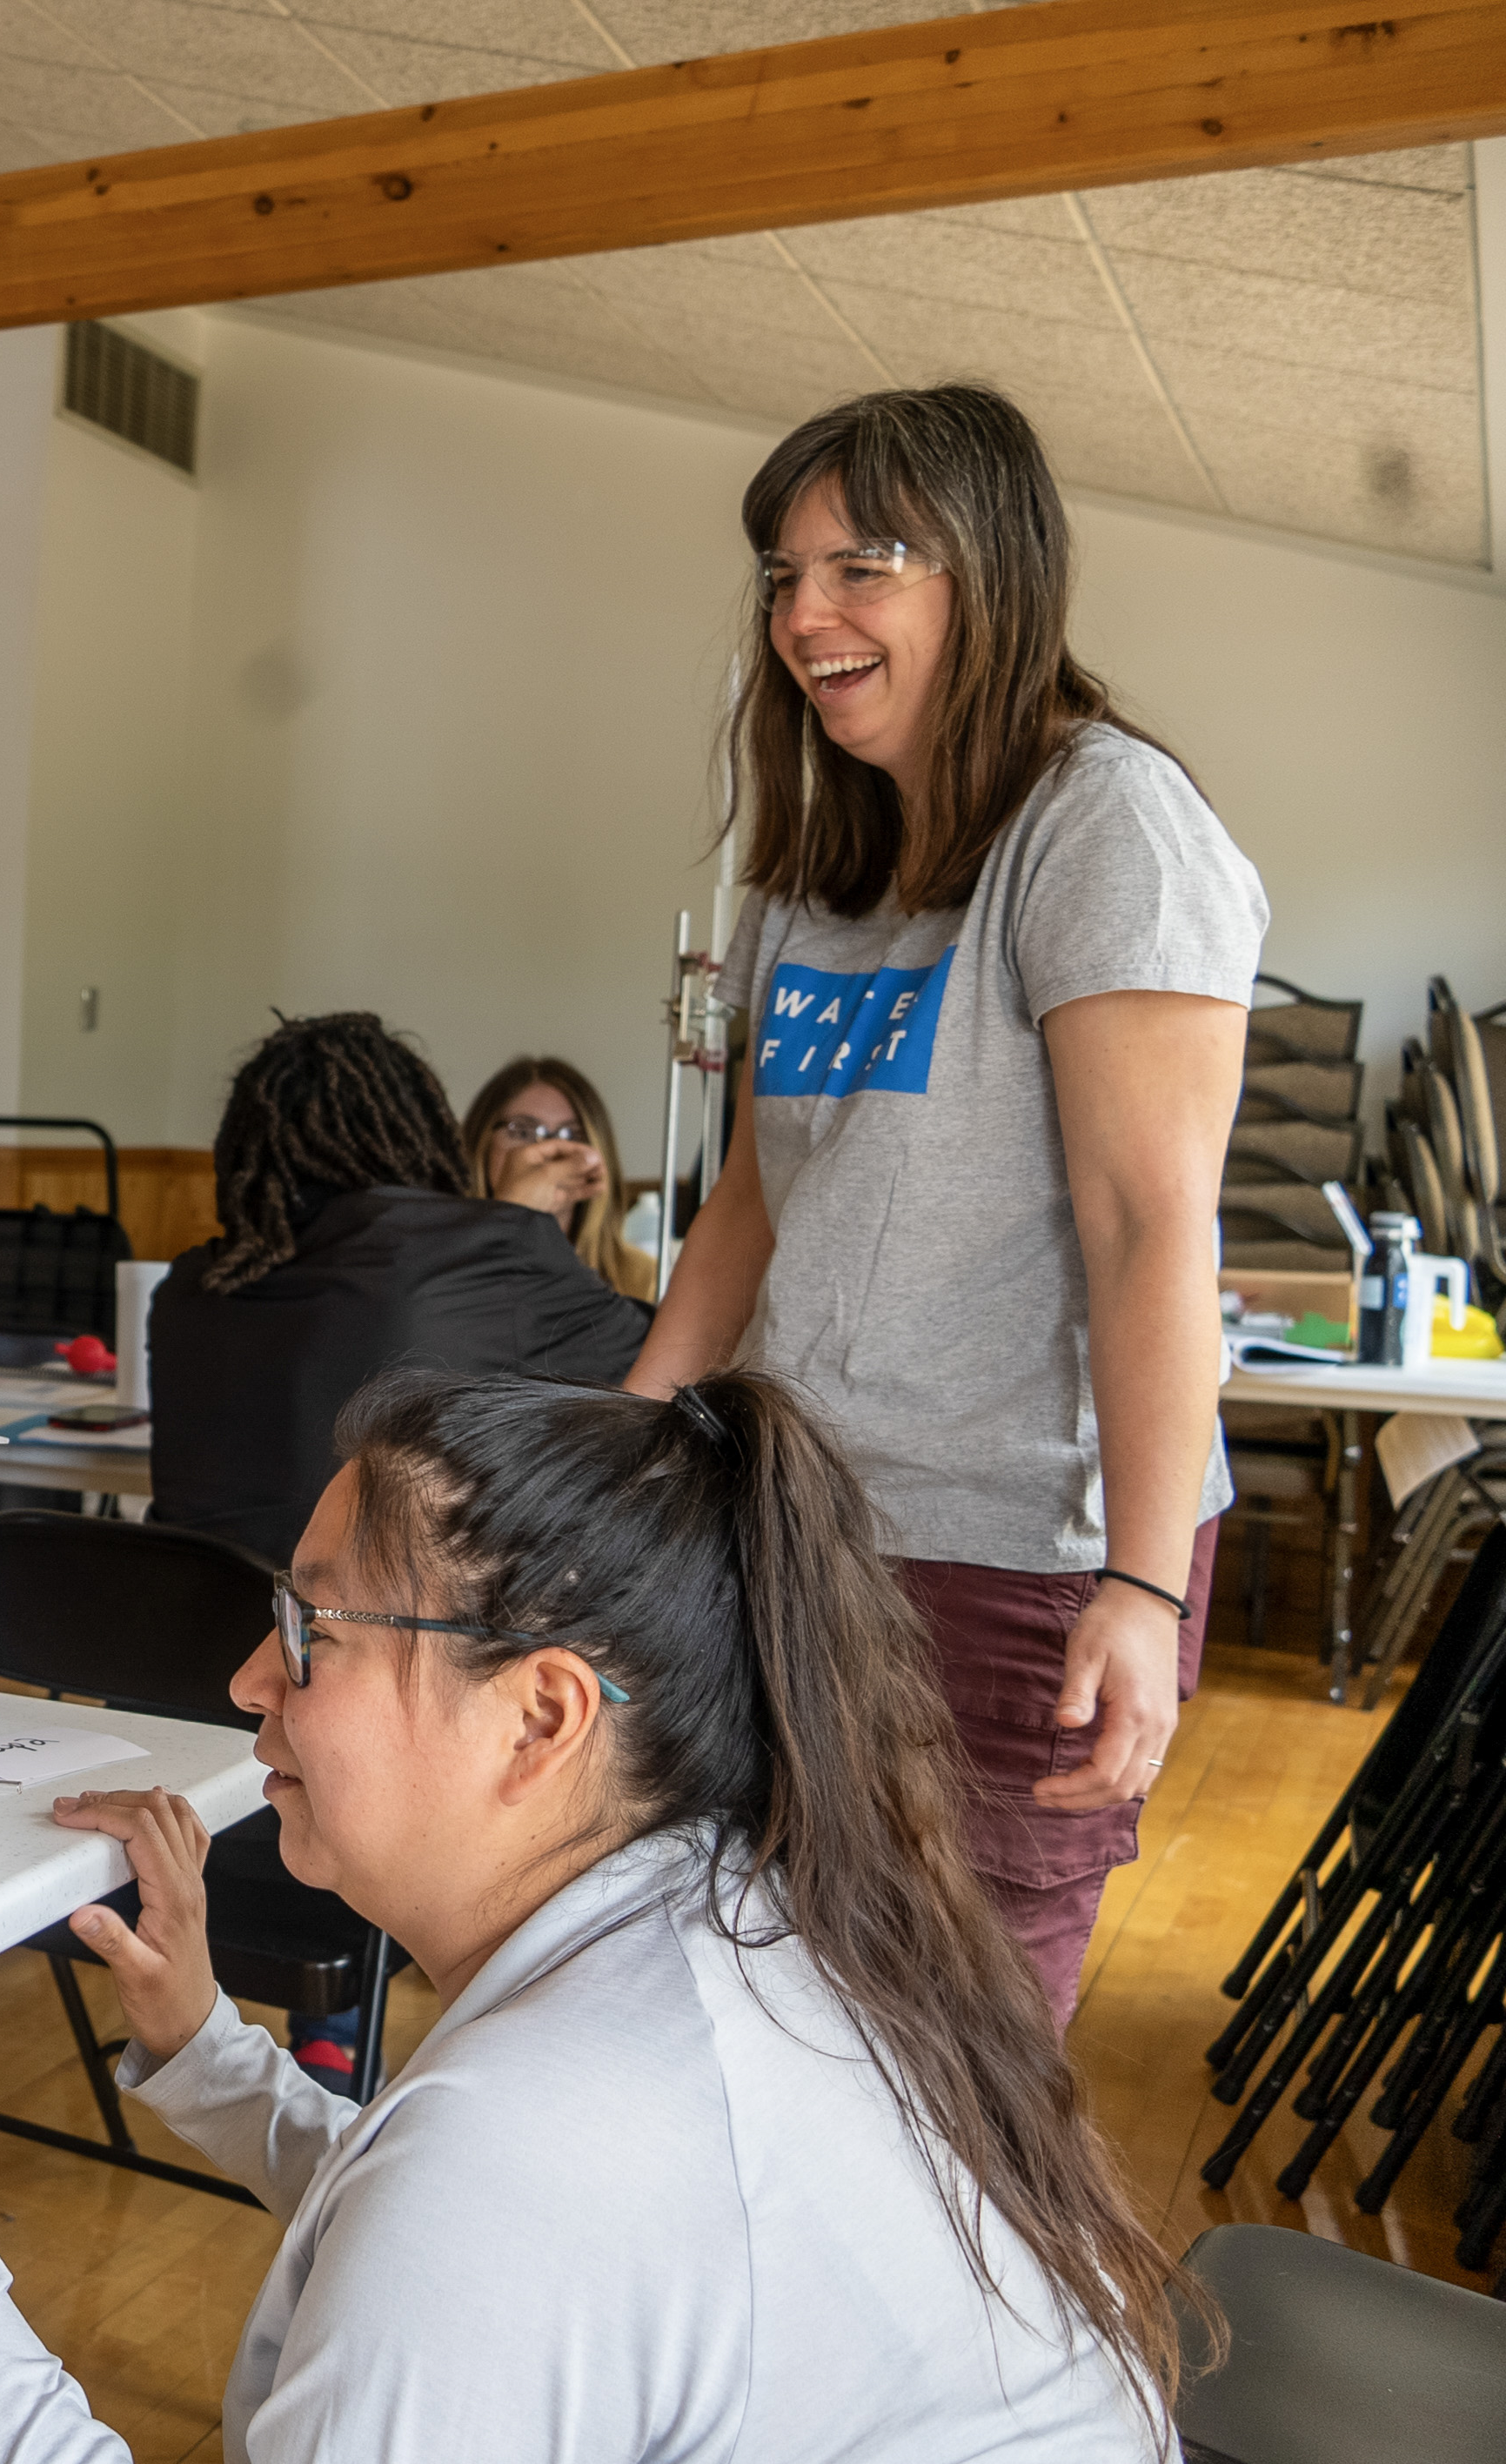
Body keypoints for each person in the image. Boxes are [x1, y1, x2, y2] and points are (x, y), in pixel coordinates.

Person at [0, 1368, 1195, 2463]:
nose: (244, 1682)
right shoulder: (735, 1917)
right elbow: (471, 2245)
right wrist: (210, 2050)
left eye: (311, 1637)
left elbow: (478, 2215)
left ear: (539, 1718)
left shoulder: (536, 2138)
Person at [626, 383, 1265, 2025]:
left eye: (862, 567)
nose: (805, 615)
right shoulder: (818, 869)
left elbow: (1149, 1226)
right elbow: (749, 1210)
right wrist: (617, 1455)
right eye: (783, 574)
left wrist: (1141, 1582)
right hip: (801, 1526)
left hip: (1016, 1562)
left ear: (987, 572)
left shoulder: (1106, 825)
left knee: (959, 2074)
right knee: (776, 2014)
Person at [148, 1014, 651, 1566]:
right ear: (425, 1134)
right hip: (377, 1634)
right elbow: (670, 1360)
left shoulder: (185, 1289)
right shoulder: (476, 1252)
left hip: (199, 1635)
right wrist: (508, 1224)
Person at [459, 1054, 653, 1299]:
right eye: (522, 1131)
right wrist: (512, 1217)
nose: (548, 1150)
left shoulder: (641, 1277)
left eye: (571, 1134)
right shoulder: (445, 1265)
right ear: (482, 1143)